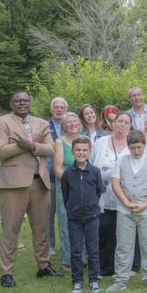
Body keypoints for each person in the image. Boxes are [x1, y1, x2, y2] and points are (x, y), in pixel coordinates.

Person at [0, 91, 61, 287]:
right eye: (17, 101)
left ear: (30, 103)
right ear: (12, 103)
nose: (22, 103)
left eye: (25, 100)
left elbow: (51, 149)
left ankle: (44, 266)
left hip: (40, 183)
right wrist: (29, 145)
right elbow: (2, 152)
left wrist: (29, 144)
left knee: (42, 229)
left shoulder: (41, 123)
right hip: (13, 184)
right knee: (10, 229)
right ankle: (6, 272)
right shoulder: (1, 122)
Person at [107, 130, 147, 292]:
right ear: (128, 147)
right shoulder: (121, 162)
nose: (136, 151)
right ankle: (120, 280)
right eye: (132, 148)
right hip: (125, 212)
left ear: (144, 145)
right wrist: (126, 202)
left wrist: (145, 204)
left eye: (139, 147)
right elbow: (115, 183)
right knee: (124, 246)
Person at [90, 112, 134, 276]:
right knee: (104, 229)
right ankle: (105, 266)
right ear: (113, 124)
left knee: (125, 232)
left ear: (130, 126)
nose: (122, 125)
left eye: (126, 122)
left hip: (127, 197)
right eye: (119, 121)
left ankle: (126, 266)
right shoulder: (101, 142)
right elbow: (92, 167)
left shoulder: (133, 143)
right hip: (104, 196)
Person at [61, 136, 104, 293]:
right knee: (76, 250)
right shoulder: (68, 174)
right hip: (74, 219)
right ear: (72, 151)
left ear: (89, 151)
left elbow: (99, 191)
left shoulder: (95, 172)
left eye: (84, 150)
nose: (81, 153)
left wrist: (90, 206)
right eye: (78, 150)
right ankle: (77, 280)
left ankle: (94, 280)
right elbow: (66, 194)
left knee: (93, 250)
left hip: (92, 217)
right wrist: (72, 209)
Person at [53, 112, 84, 271]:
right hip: (66, 185)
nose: (72, 124)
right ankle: (68, 260)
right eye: (69, 122)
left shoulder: (85, 140)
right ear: (63, 126)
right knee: (67, 221)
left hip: (84, 185)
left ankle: (84, 258)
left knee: (84, 220)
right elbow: (57, 168)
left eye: (75, 121)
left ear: (79, 123)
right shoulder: (60, 142)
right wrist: (73, 182)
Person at [46, 97, 68, 256]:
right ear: (51, 109)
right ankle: (50, 246)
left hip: (69, 179)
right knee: (49, 213)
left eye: (62, 107)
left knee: (67, 214)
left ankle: (69, 246)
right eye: (56, 107)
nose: (59, 109)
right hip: (50, 177)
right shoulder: (45, 127)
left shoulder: (71, 125)